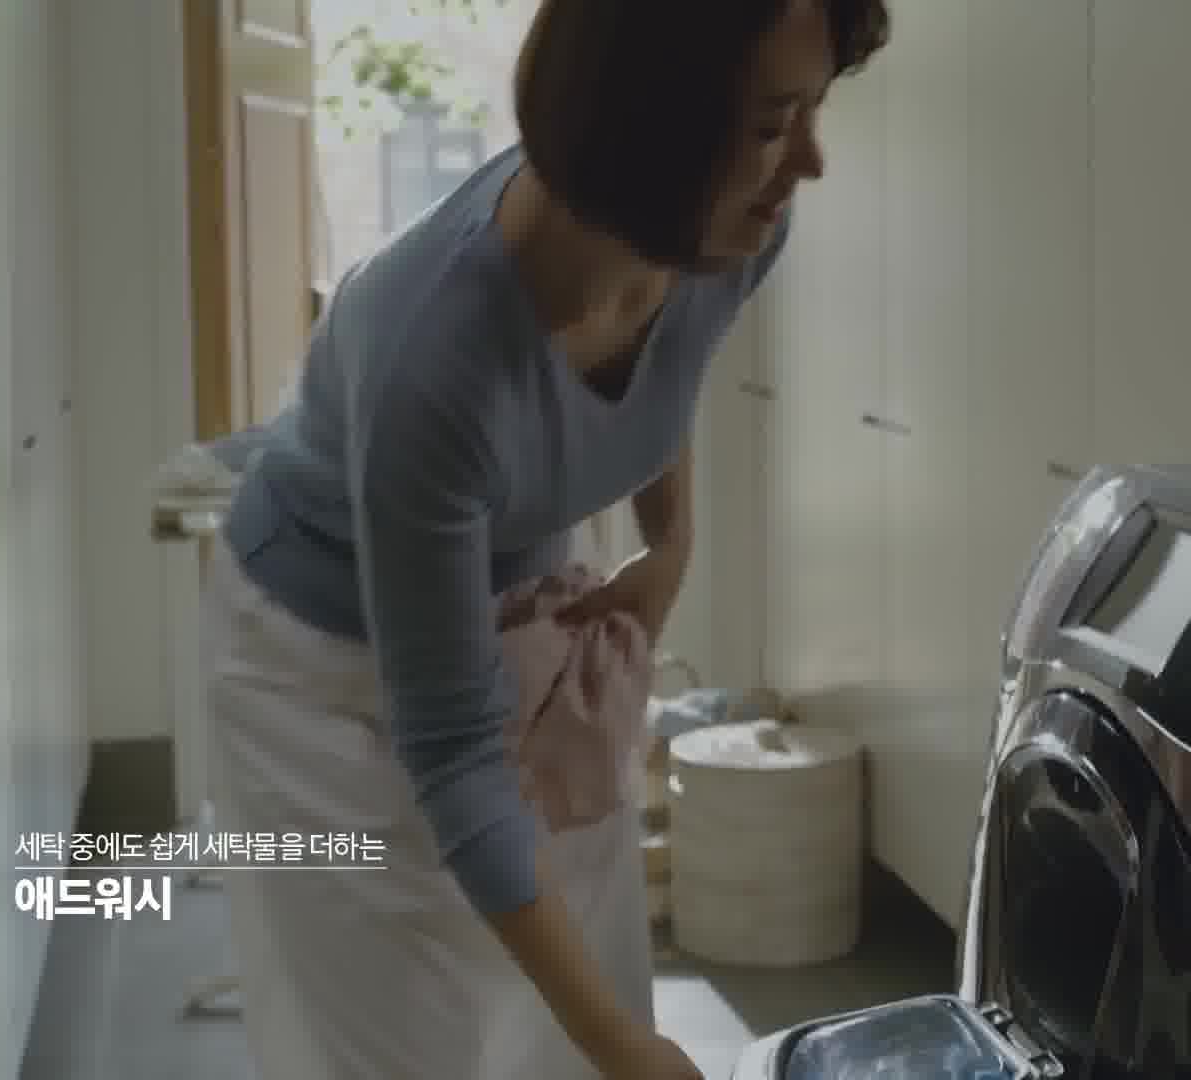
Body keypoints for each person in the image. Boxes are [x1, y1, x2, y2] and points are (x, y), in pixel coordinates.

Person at [199, 1, 891, 1076]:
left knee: (561, 1011)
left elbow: (663, 374)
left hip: (517, 623)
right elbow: (454, 753)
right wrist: (620, 1042)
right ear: (649, 128)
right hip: (315, 673)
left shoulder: (733, 230)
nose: (809, 162)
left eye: (813, 110)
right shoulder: (438, 358)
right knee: (407, 1041)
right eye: (771, 124)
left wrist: (671, 544)